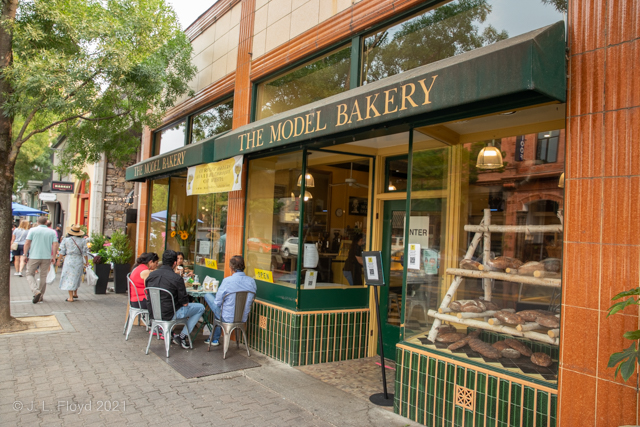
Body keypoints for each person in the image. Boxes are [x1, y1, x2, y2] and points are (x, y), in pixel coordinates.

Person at [145, 250, 204, 349]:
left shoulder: (151, 276)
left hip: (154, 314)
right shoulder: (176, 278)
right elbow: (185, 303)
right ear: (174, 263)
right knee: (201, 307)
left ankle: (173, 334)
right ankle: (182, 336)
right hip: (171, 315)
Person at [203, 255, 256, 346]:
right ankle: (214, 339)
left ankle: (214, 338)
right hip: (243, 317)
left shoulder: (227, 281)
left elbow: (217, 302)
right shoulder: (251, 281)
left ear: (231, 268)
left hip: (227, 317)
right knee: (219, 312)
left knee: (207, 294)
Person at [23, 216, 59, 304]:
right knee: (43, 276)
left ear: (37, 222)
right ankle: (41, 295)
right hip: (46, 257)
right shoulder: (51, 232)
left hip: (34, 255)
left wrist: (25, 254)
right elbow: (55, 244)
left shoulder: (32, 230)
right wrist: (53, 256)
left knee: (29, 273)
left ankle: (35, 291)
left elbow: (27, 242)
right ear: (46, 222)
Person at [57, 225, 89, 302]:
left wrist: (59, 260)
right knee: (77, 276)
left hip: (69, 259)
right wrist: (87, 262)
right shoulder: (83, 241)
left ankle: (70, 297)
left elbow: (62, 251)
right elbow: (85, 253)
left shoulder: (66, 240)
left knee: (69, 277)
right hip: (78, 259)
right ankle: (75, 293)